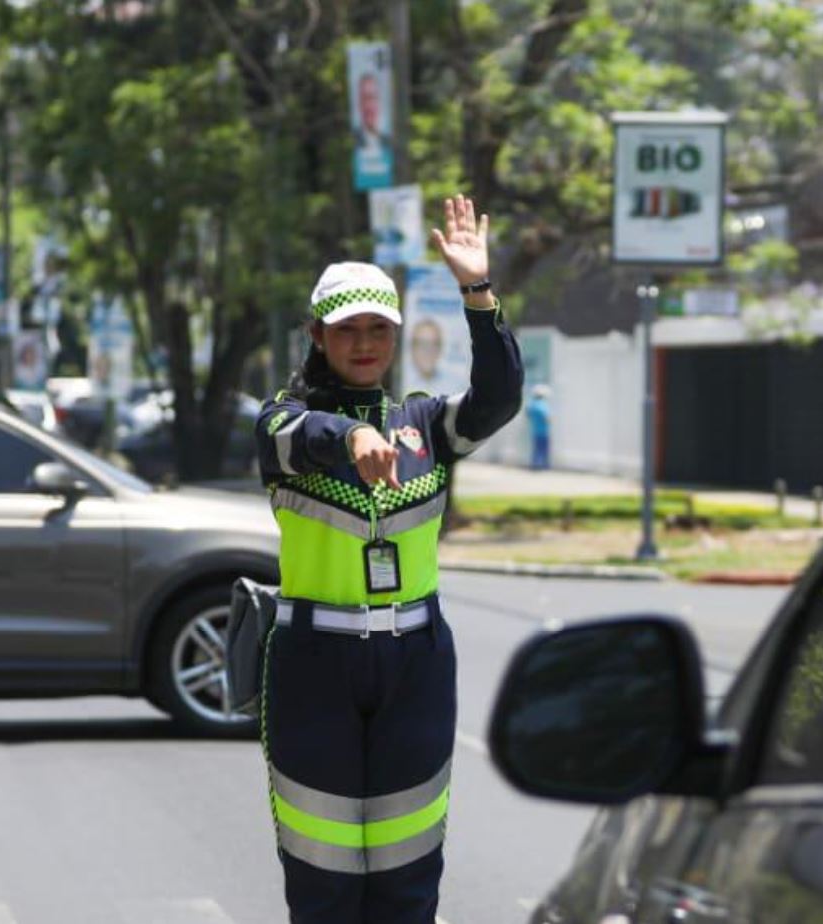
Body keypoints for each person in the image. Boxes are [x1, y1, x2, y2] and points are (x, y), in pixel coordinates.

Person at [254, 195, 522, 924]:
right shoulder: (284, 421)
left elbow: (497, 401)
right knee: (325, 882)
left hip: (416, 661)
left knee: (407, 881)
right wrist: (348, 439)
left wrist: (477, 292)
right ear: (318, 335)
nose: (365, 343)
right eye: (348, 329)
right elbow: (296, 433)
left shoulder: (426, 424)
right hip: (315, 663)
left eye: (379, 328)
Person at [527, 384, 551, 470]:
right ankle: (543, 465)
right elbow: (547, 418)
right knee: (543, 449)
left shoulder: (532, 405)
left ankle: (534, 464)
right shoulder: (542, 405)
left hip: (535, 430)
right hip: (544, 431)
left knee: (536, 449)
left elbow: (528, 415)